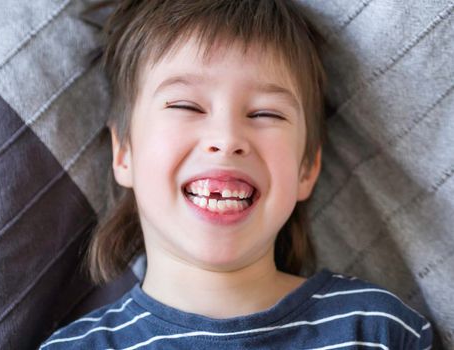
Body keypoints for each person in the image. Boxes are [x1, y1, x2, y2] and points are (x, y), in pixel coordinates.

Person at [40, 0, 433, 348]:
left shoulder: (377, 329)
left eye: (266, 113)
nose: (227, 140)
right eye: (185, 106)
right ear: (124, 152)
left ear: (306, 168)